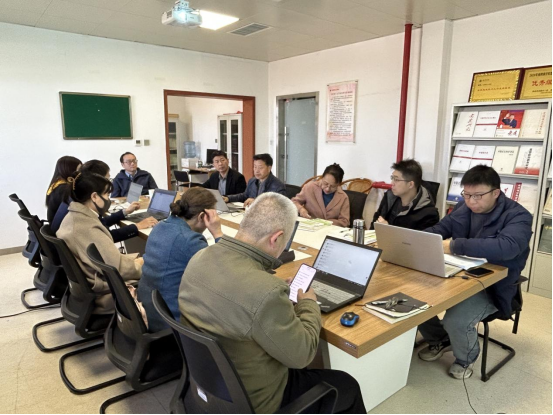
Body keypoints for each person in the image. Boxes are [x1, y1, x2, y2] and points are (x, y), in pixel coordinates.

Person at [179, 193, 366, 414]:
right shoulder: (265, 292)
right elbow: (303, 355)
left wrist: (269, 287)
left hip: (209, 388)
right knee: (347, 384)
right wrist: (308, 304)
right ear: (276, 238)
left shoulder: (200, 257)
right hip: (255, 402)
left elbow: (238, 293)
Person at [418, 165, 533, 380]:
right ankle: (440, 339)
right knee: (415, 300)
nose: (471, 201)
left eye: (478, 196)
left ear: (496, 193)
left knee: (456, 321)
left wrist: (455, 245)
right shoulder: (463, 207)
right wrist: (416, 240)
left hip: (493, 285)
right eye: (467, 194)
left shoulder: (518, 216)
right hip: (459, 275)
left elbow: (507, 247)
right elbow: (439, 230)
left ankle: (466, 358)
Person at [138, 188, 223, 332]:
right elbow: (223, 271)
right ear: (203, 216)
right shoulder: (190, 240)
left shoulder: (160, 226)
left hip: (149, 308)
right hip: (171, 321)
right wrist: (218, 233)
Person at [57, 171, 143, 314]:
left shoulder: (73, 217)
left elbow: (109, 260)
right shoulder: (88, 227)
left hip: (90, 288)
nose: (109, 199)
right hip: (106, 295)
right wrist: (141, 263)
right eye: (107, 195)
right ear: (94, 197)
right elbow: (117, 269)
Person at [51, 160, 158, 240]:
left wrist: (124, 212)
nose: (109, 183)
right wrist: (137, 226)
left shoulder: (76, 198)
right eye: (107, 179)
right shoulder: (80, 208)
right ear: (97, 179)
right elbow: (106, 236)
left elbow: (101, 223)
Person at [371, 159, 440, 231]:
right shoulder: (389, 196)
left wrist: (388, 230)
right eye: (392, 178)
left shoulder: (429, 214)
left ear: (410, 184)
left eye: (396, 180)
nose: (392, 183)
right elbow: (375, 223)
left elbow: (417, 238)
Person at [46, 156, 82, 224]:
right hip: (60, 226)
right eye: (79, 169)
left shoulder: (57, 184)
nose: (80, 173)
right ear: (70, 170)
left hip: (55, 224)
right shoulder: (63, 189)